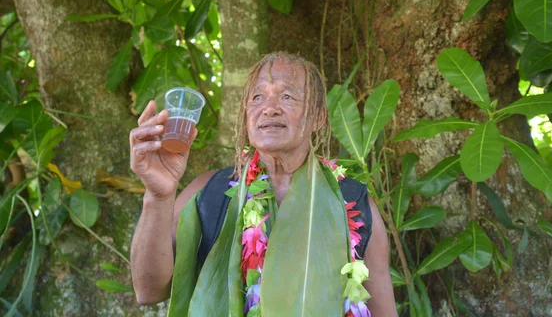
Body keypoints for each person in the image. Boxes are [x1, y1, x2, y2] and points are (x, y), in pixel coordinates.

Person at [129, 52, 397, 316]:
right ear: (246, 117)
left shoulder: (355, 203)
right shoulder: (208, 192)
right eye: (258, 97)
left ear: (318, 117)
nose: (269, 108)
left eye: (287, 96)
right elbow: (149, 292)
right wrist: (158, 195)